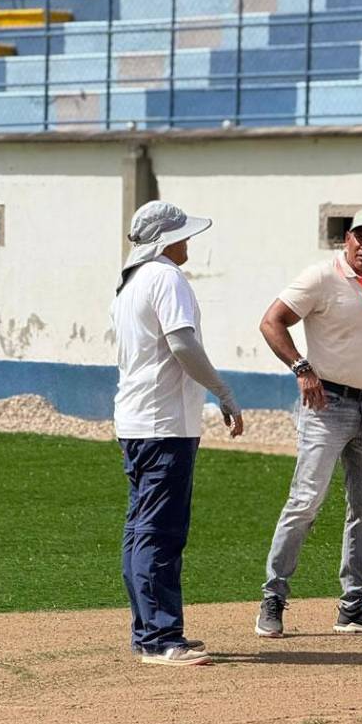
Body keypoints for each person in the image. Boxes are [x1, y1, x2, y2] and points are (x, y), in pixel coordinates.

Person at [256, 207, 362, 638]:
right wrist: (302, 369)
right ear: (346, 241)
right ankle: (273, 598)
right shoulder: (320, 278)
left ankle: (354, 606)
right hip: (327, 405)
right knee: (305, 502)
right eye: (358, 236)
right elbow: (272, 321)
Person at [110, 200, 244, 666]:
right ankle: (162, 637)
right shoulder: (166, 278)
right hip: (163, 424)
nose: (188, 242)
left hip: (138, 420)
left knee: (140, 529)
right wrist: (223, 391)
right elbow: (182, 342)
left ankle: (148, 630)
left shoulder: (129, 283)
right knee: (160, 531)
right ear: (166, 240)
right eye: (182, 235)